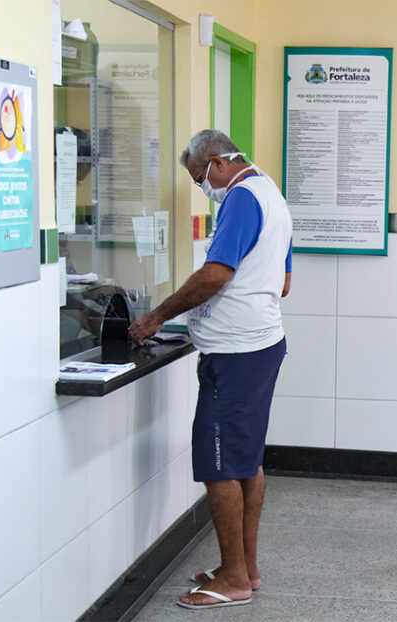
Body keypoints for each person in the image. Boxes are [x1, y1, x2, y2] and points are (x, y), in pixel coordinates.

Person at [128, 129, 292, 610]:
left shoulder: (241, 198)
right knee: (246, 461)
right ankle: (245, 567)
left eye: (202, 179)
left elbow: (217, 273)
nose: (205, 188)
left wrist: (159, 315)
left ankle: (234, 579)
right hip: (261, 345)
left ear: (219, 163)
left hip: (236, 354)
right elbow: (283, 283)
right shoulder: (270, 192)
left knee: (220, 464)